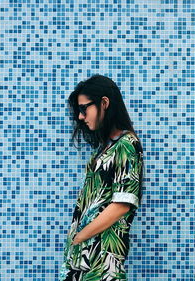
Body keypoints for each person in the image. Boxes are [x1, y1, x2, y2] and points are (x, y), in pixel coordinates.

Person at [59, 74, 144, 281]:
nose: (80, 117)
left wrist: (80, 237)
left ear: (104, 103)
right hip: (85, 260)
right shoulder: (106, 147)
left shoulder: (126, 144)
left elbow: (122, 204)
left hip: (102, 262)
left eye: (83, 108)